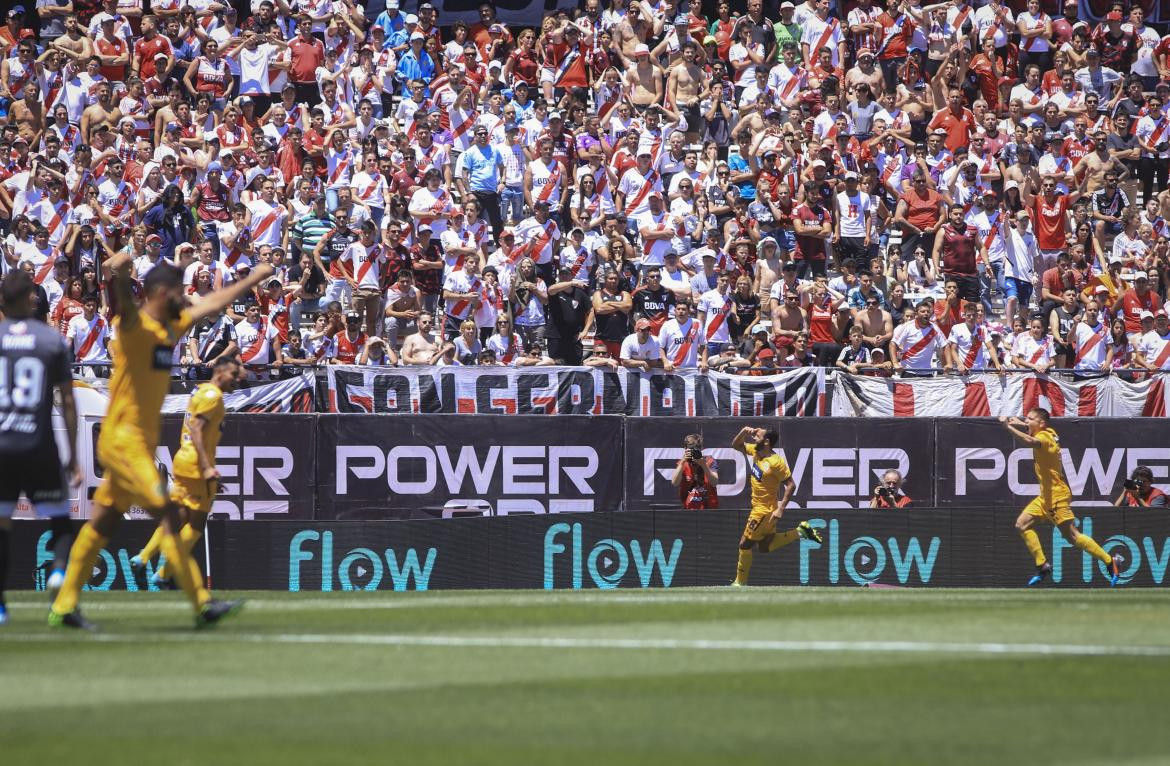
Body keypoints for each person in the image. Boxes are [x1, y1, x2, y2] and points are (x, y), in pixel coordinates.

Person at [49, 257, 270, 630]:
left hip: (136, 443)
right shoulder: (135, 326)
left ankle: (63, 606)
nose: (186, 298)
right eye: (180, 291)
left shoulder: (171, 327)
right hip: (122, 442)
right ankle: (202, 603)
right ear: (161, 293)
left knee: (103, 521)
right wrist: (116, 273)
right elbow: (119, 294)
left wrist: (254, 278)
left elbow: (212, 304)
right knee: (169, 514)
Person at [0, 270, 80, 626]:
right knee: (62, 520)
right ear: (30, 300)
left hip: (2, 443)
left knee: (2, 524)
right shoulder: (50, 340)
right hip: (38, 442)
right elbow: (68, 401)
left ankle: (1, 606)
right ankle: (58, 574)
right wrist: (74, 456)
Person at [130, 355, 244, 588]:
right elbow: (197, 430)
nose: (237, 379)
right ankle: (164, 573)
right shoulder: (214, 397)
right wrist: (207, 468)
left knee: (176, 518)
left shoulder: (199, 391)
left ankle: (142, 559)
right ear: (220, 372)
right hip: (195, 464)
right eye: (233, 374)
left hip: (182, 460)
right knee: (195, 527)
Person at [1000, 409, 1121, 587]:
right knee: (1022, 524)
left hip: (1056, 496)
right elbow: (1033, 429)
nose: (1027, 421)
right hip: (1045, 497)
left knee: (1073, 537)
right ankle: (1042, 565)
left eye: (1030, 419)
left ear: (1041, 424)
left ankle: (1110, 560)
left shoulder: (1044, 437)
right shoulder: (1050, 432)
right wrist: (1020, 422)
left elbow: (1029, 440)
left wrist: (1007, 427)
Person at [730, 426, 822, 587]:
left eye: (757, 435)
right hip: (762, 509)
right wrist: (744, 432)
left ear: (766, 441)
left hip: (764, 511)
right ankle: (800, 532)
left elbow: (791, 485)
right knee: (765, 547)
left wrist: (781, 508)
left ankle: (740, 583)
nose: (754, 436)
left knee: (744, 544)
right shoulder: (756, 452)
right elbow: (736, 445)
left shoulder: (776, 462)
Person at [671, 433, 719, 510]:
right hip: (689, 508)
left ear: (701, 449)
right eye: (691, 449)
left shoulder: (710, 461)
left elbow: (714, 482)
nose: (693, 452)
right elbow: (674, 483)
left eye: (697, 449)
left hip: (709, 508)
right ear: (685, 448)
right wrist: (683, 462)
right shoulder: (682, 463)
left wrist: (703, 465)